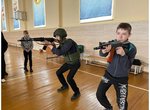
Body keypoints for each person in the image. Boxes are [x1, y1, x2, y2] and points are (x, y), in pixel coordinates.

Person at [96, 23, 137, 110]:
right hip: (108, 74)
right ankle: (108, 108)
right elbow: (102, 54)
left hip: (122, 78)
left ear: (129, 35)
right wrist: (103, 51)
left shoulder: (132, 48)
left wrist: (123, 55)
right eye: (118, 33)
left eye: (124, 34)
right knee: (99, 94)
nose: (120, 36)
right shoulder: (112, 42)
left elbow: (128, 66)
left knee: (122, 104)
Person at [48, 28, 81, 101]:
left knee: (69, 78)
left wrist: (51, 47)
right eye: (55, 36)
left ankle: (77, 92)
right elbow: (56, 52)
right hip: (69, 63)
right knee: (58, 72)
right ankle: (65, 86)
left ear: (61, 36)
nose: (56, 38)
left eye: (57, 36)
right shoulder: (62, 43)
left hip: (75, 63)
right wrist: (53, 46)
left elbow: (60, 52)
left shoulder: (69, 42)